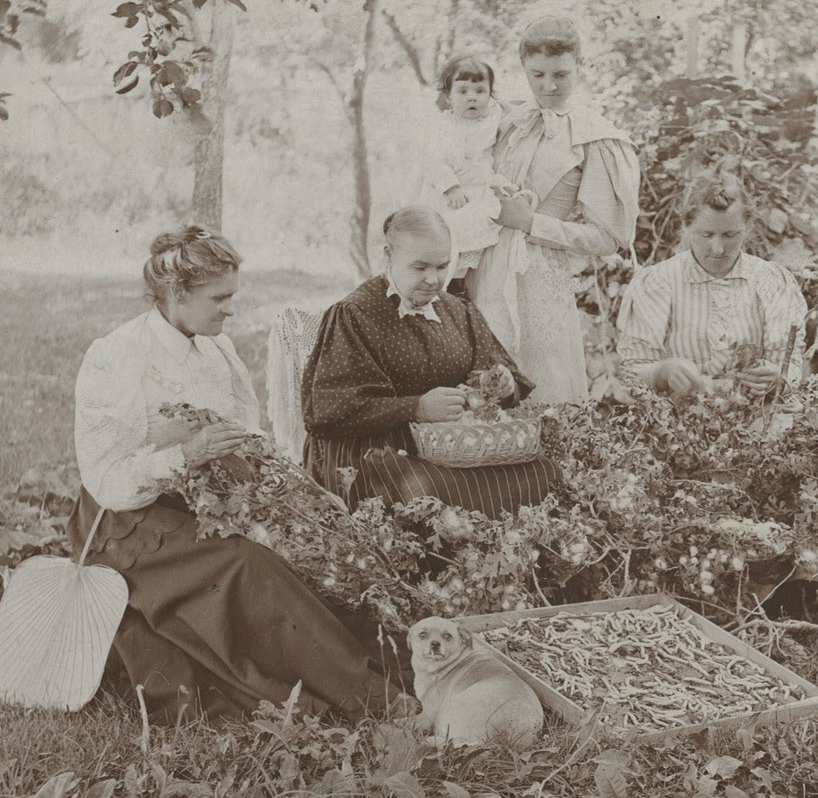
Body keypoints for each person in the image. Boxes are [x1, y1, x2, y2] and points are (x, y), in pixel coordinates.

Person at [67, 226, 401, 724]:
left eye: (232, 296)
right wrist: (186, 457)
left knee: (324, 548)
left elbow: (249, 436)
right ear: (178, 294)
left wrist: (304, 497)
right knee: (251, 565)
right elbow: (106, 479)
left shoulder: (215, 347)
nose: (230, 309)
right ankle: (369, 698)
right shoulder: (118, 355)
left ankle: (392, 667)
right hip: (133, 520)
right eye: (219, 298)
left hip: (216, 498)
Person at [301, 206, 559, 515]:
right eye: (420, 267)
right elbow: (328, 411)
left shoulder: (459, 312)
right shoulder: (356, 314)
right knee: (436, 496)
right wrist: (416, 408)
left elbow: (498, 378)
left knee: (546, 473)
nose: (433, 279)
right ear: (388, 254)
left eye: (442, 266)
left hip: (453, 449)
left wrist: (504, 385)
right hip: (373, 452)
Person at [465, 15, 641, 403]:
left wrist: (533, 223)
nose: (549, 85)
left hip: (540, 277)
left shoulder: (595, 137)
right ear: (523, 66)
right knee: (483, 396)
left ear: (580, 65)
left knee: (544, 389)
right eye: (537, 74)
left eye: (561, 73)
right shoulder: (506, 121)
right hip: (485, 269)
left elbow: (609, 237)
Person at [617, 172, 807, 397]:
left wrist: (778, 378)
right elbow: (631, 372)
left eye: (729, 235)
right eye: (706, 234)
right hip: (676, 419)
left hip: (757, 416)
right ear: (687, 227)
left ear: (747, 228)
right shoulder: (659, 282)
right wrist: (661, 372)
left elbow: (790, 366)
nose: (718, 249)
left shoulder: (772, 281)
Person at [430, 55, 528, 294]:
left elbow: (517, 110)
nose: (472, 97)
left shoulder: (493, 116)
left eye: (480, 91)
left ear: (490, 95)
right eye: (462, 91)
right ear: (448, 96)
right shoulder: (444, 126)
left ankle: (465, 284)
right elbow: (435, 161)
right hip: (455, 189)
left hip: (481, 186)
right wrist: (451, 187)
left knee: (483, 231)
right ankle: (447, 282)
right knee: (450, 232)